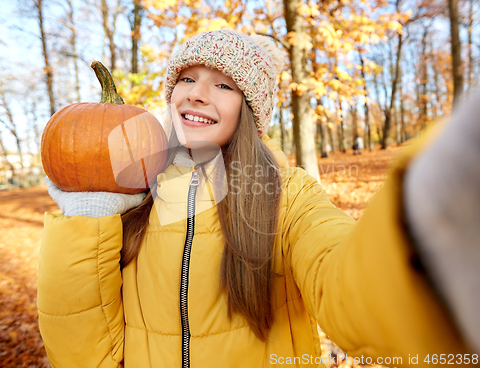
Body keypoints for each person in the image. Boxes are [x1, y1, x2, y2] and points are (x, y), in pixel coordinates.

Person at [38, 30, 479, 368]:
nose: (196, 92)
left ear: (249, 110)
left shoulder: (290, 197)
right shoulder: (133, 199)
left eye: (224, 85)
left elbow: (345, 286)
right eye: (187, 78)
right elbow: (80, 354)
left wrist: (426, 225)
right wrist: (87, 218)